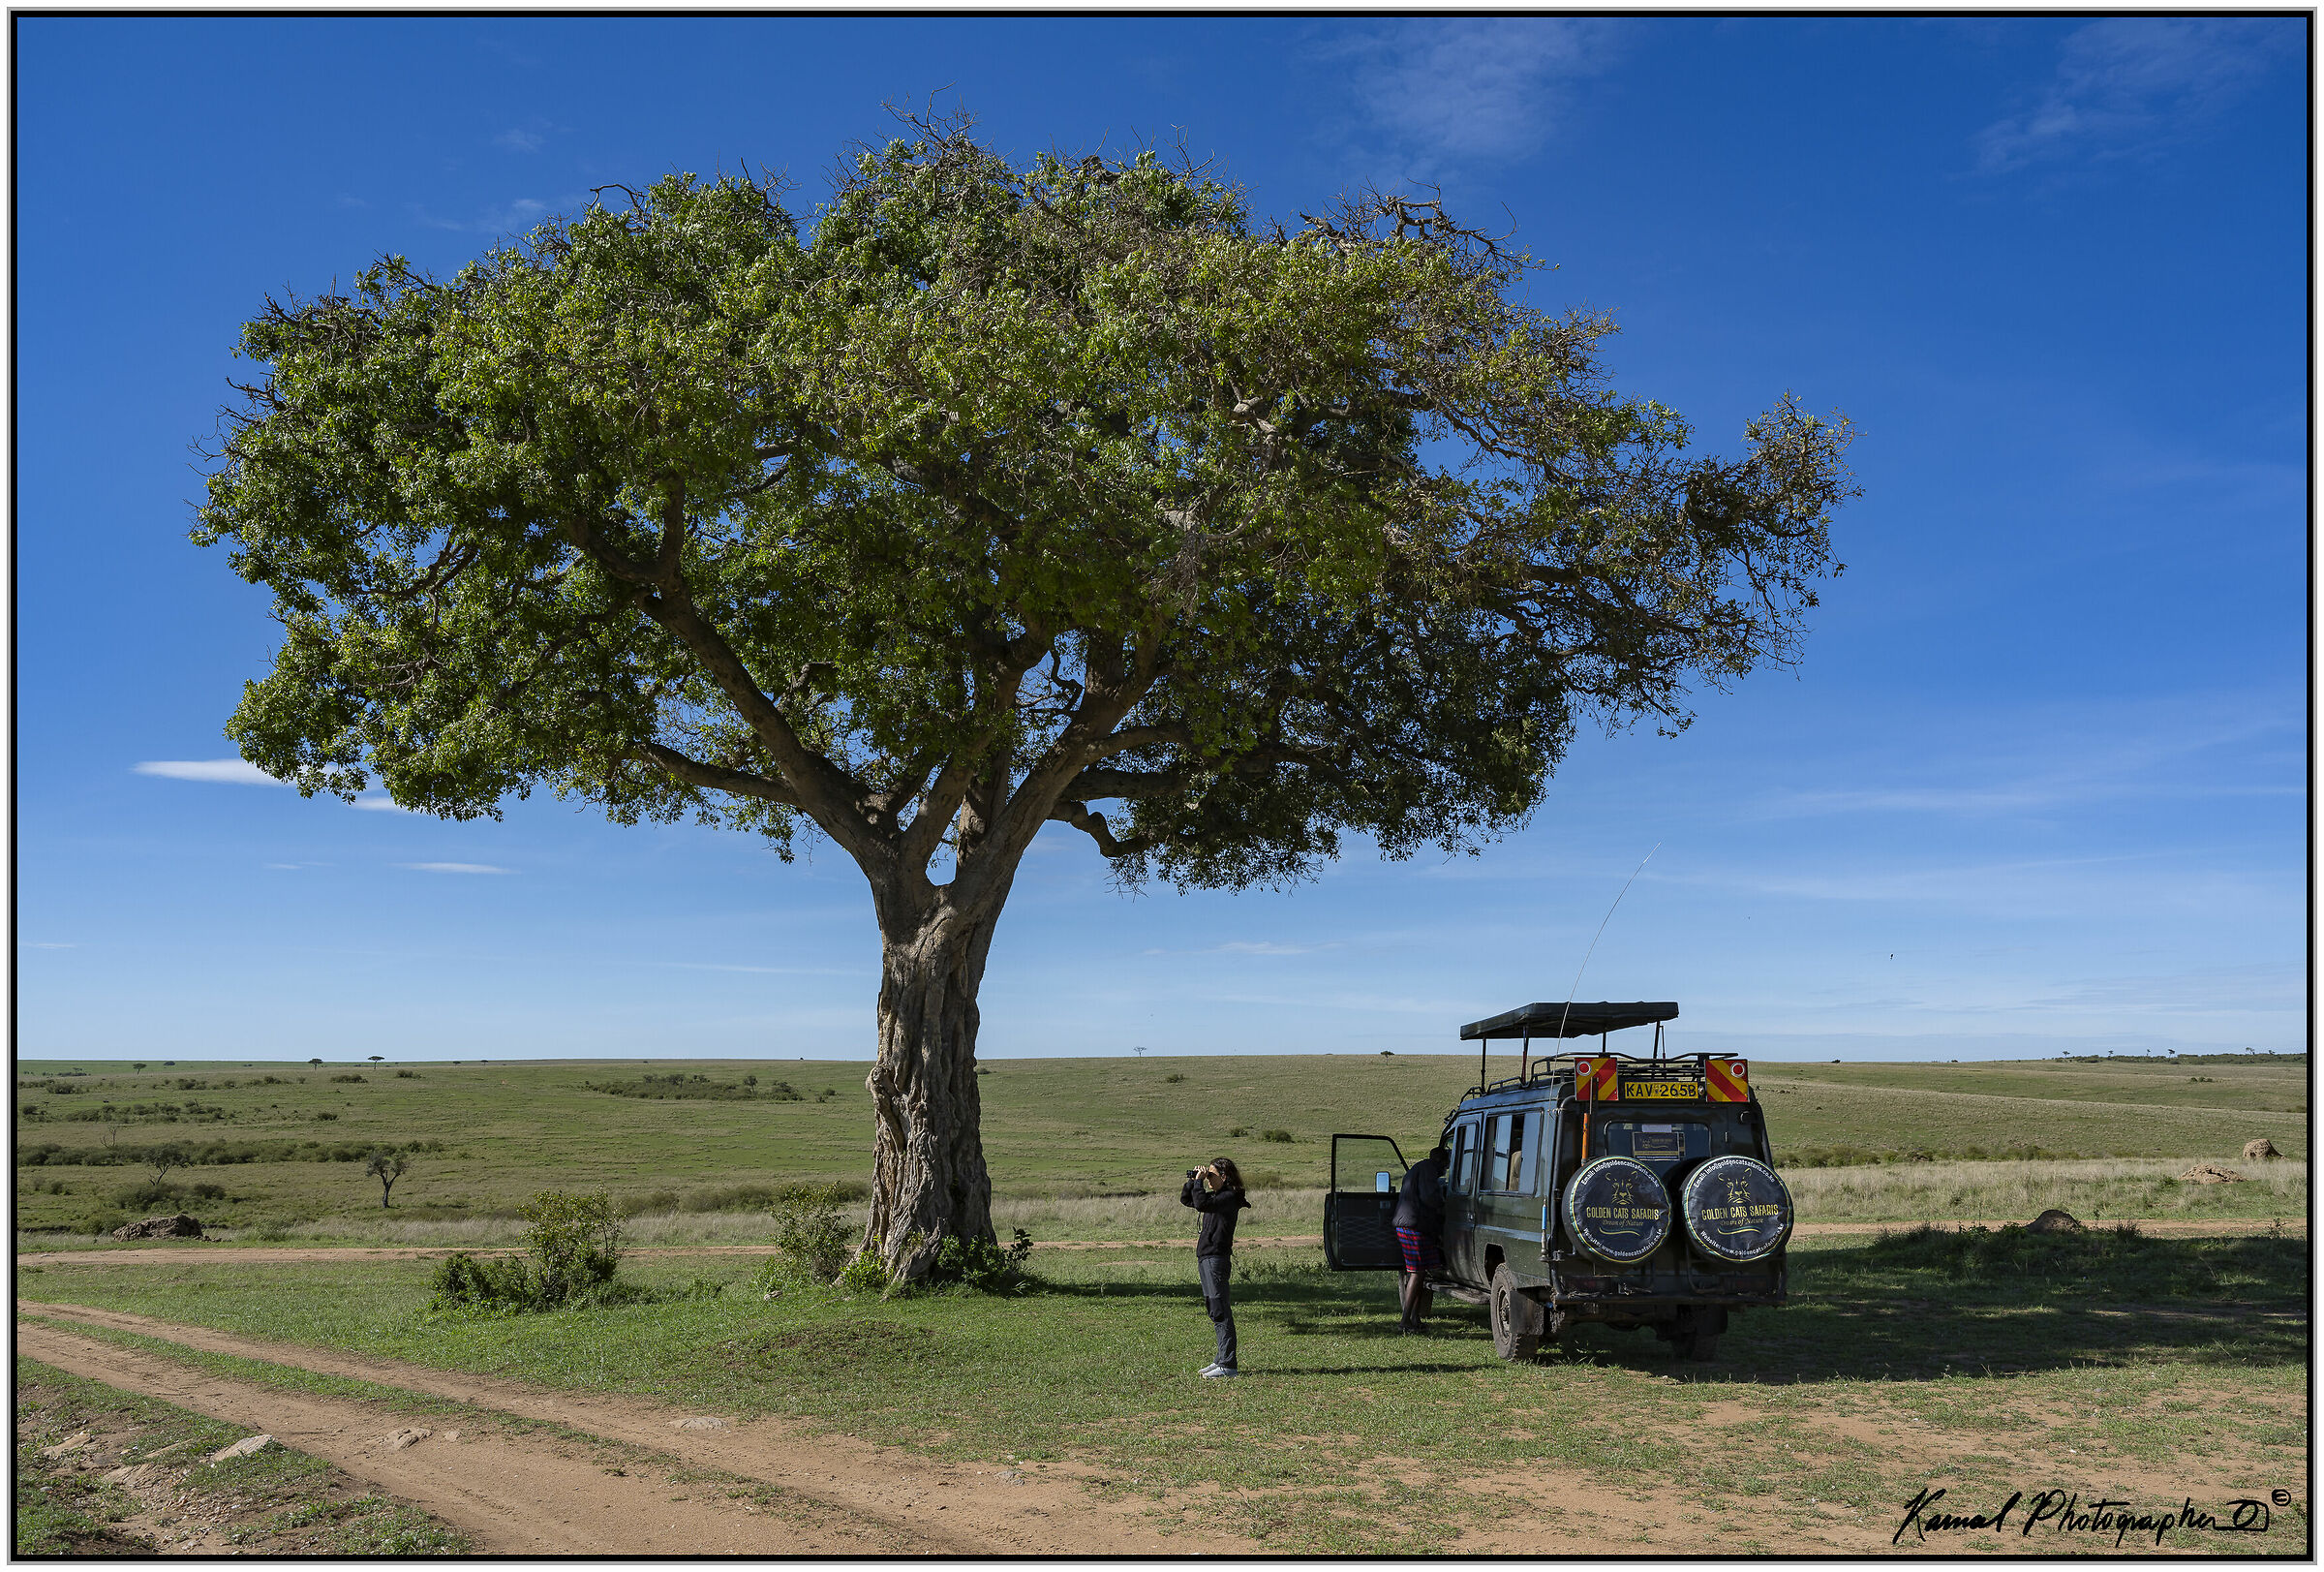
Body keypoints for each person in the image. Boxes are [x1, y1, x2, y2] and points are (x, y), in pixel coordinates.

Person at [1179, 1157, 1252, 1377]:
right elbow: (1187, 1200)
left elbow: (1201, 1204)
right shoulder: (1218, 1197)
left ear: (1224, 1176)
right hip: (1207, 1257)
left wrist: (1200, 1183)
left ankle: (1228, 1364)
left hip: (1216, 1258)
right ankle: (1221, 1359)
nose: (1209, 1180)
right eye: (1207, 1175)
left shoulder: (1229, 1197)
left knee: (1220, 1310)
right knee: (1214, 1308)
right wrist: (1193, 1180)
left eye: (1212, 1176)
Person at [1392, 1143, 1450, 1333]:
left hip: (1409, 1224)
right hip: (1413, 1226)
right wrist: (1443, 1202)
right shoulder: (1428, 1170)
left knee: (1419, 1272)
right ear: (1440, 1160)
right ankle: (1405, 1320)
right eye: (1446, 1164)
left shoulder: (1420, 1167)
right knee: (1416, 1273)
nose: (1446, 1168)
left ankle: (1415, 1318)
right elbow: (1430, 1197)